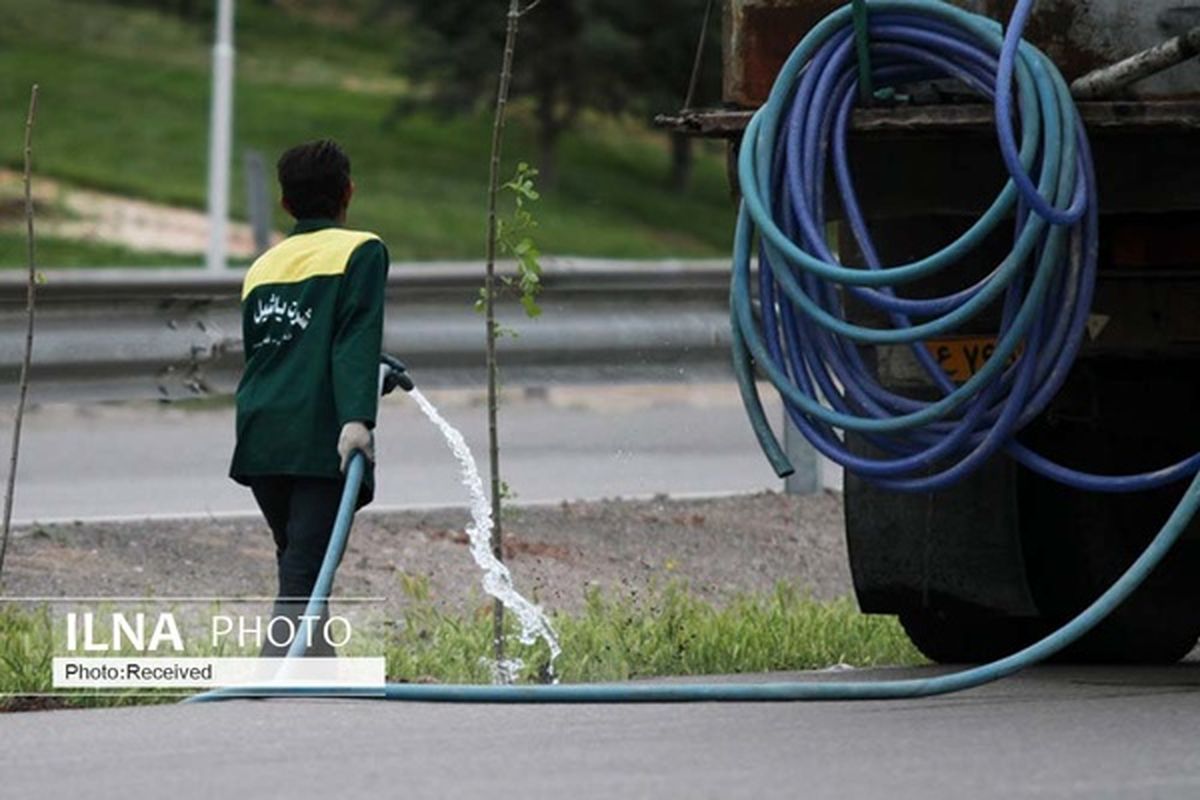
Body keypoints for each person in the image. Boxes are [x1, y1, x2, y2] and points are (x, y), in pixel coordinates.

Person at [229, 139, 388, 657]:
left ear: (284, 204)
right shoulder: (362, 250)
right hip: (317, 434)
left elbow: (271, 352)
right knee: (305, 573)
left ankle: (319, 674)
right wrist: (358, 418)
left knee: (298, 559)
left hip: (259, 433)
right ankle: (272, 675)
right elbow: (353, 335)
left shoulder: (262, 267)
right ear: (349, 192)